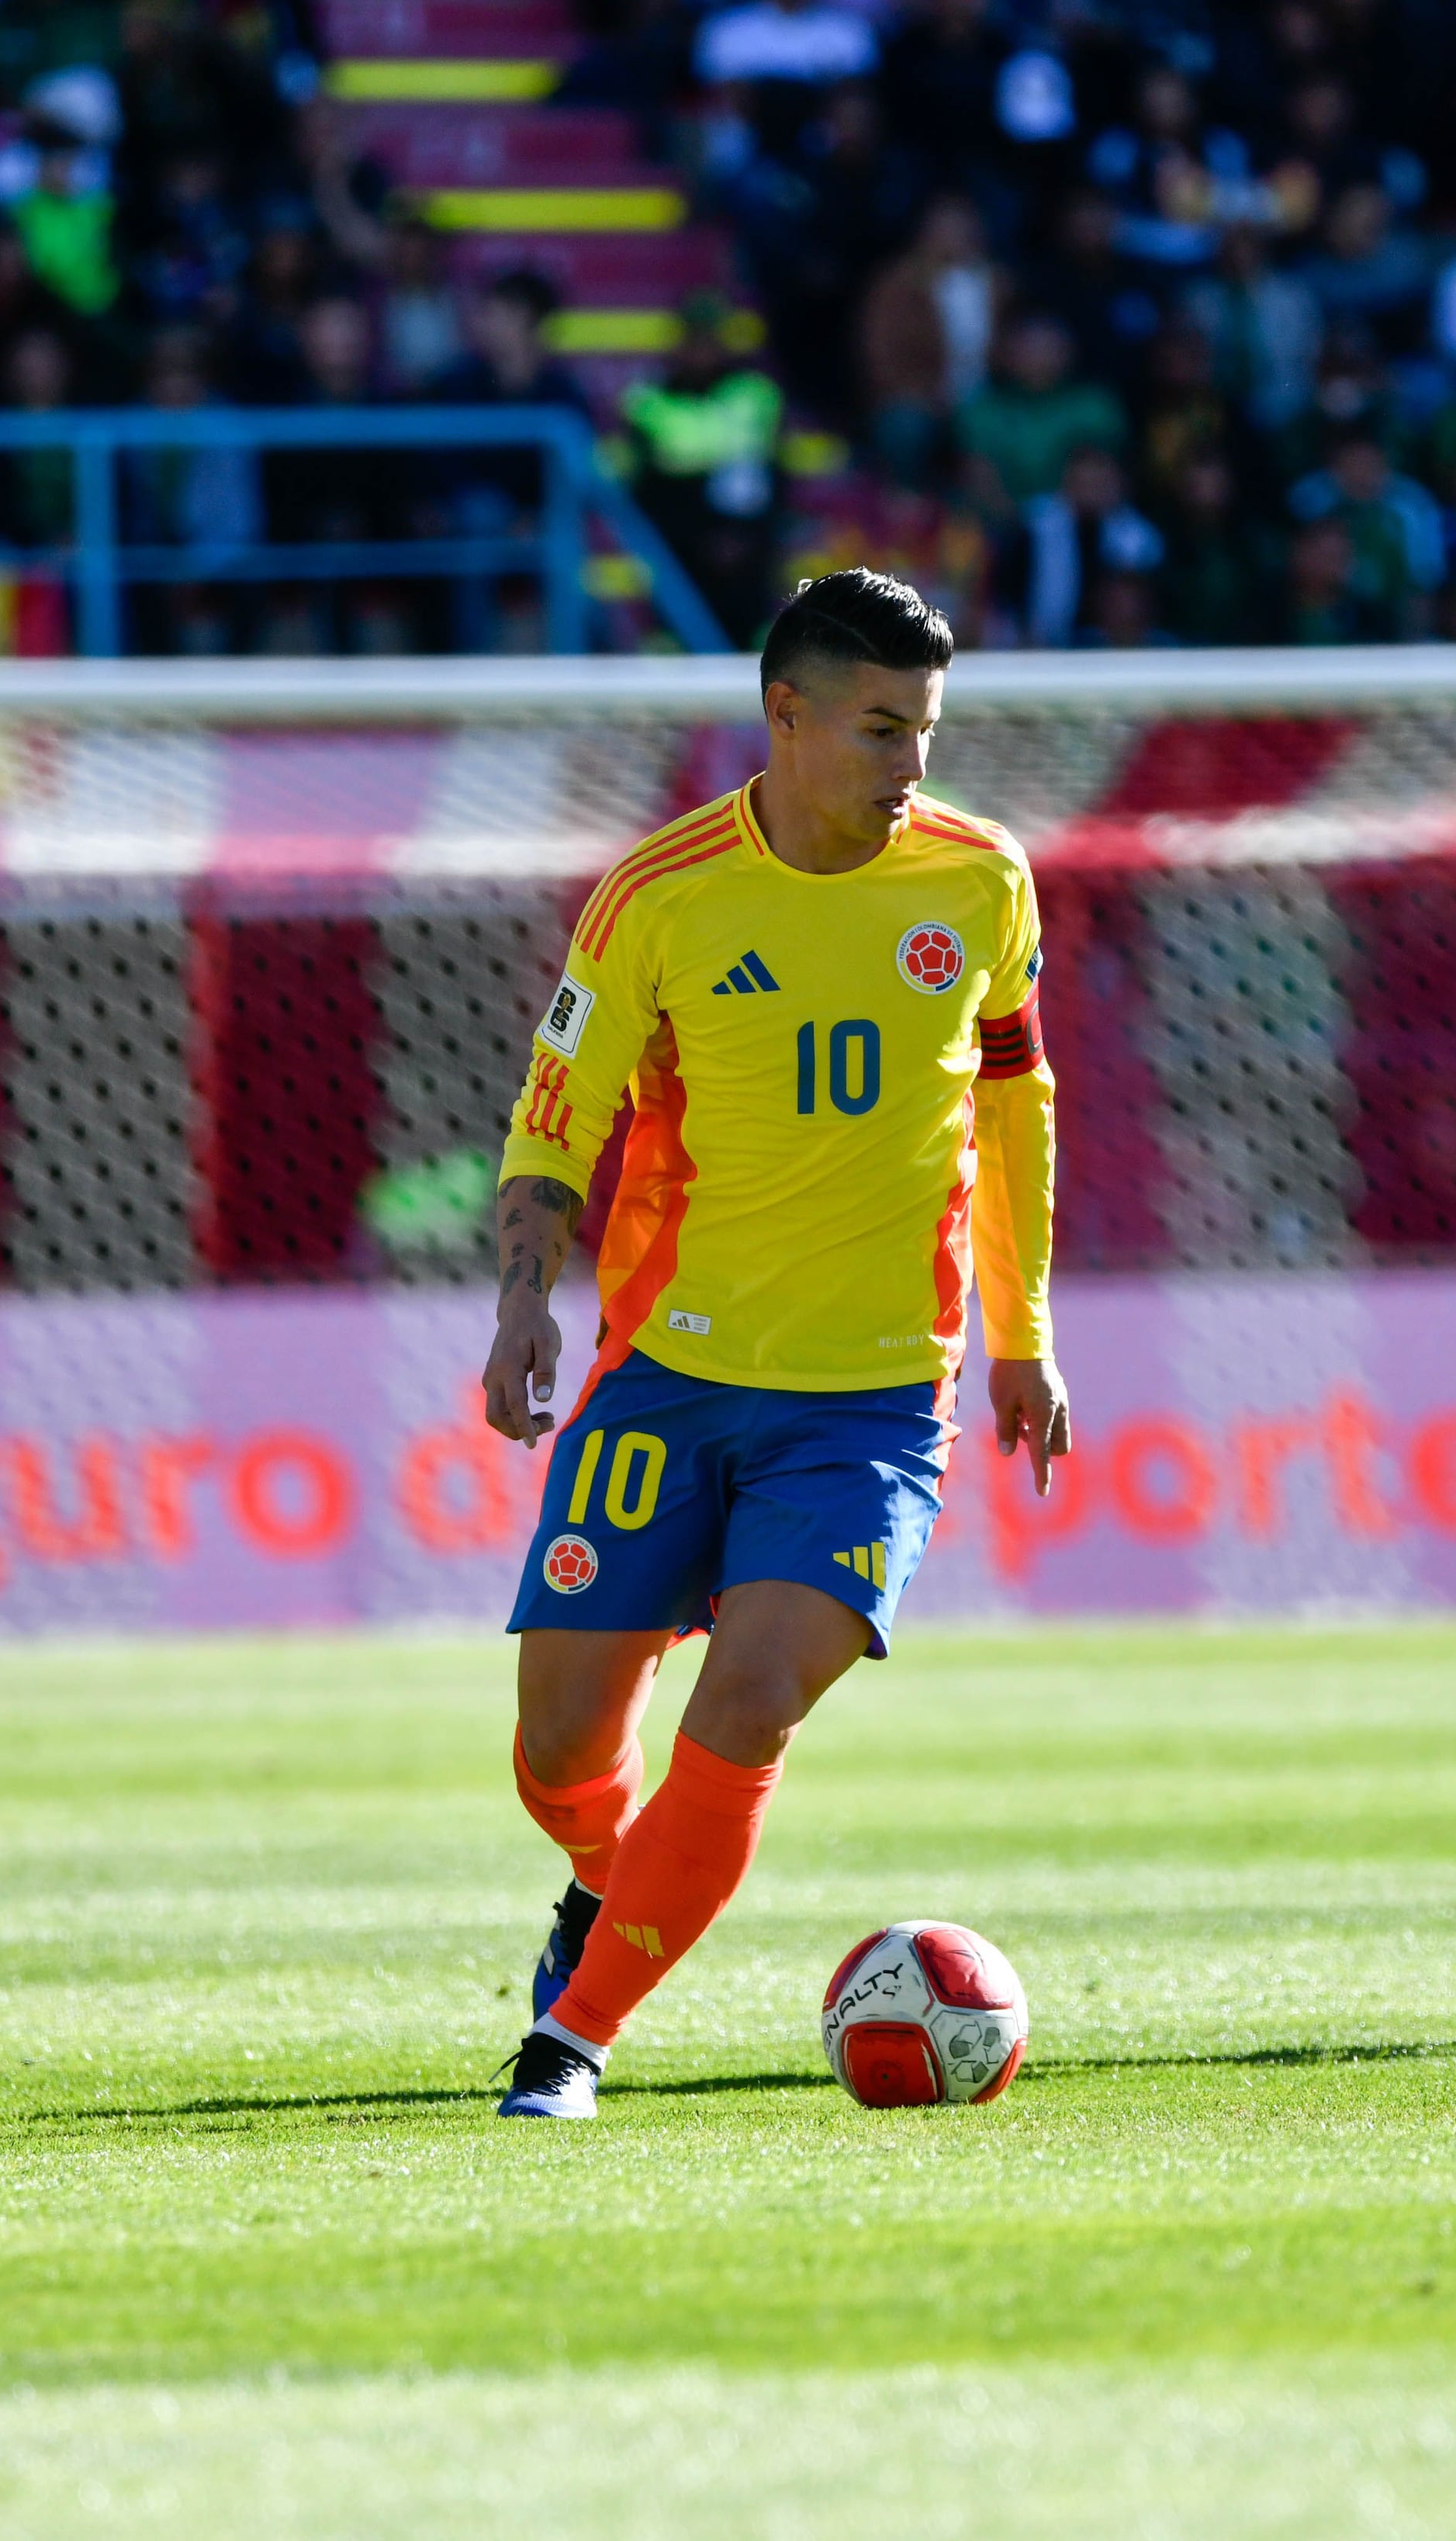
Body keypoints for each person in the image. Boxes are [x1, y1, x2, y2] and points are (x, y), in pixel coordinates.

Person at [476, 567, 1071, 2119]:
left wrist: (1020, 1331)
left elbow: (1013, 1103)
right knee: (556, 1757)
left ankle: (570, 2042)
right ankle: (620, 1889)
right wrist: (523, 1300)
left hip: (871, 1404)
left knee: (744, 1707)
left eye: (927, 730)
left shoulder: (980, 881)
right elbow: (558, 1118)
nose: (910, 766)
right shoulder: (662, 891)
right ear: (786, 716)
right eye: (880, 729)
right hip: (664, 1383)